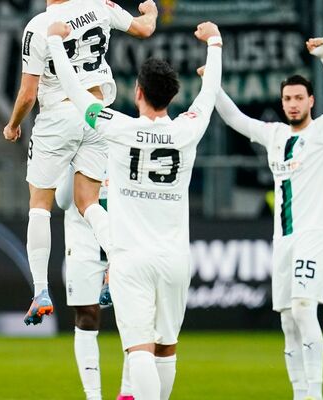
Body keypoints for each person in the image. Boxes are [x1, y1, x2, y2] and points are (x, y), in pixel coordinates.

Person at [48, 19, 223, 400]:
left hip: (130, 259)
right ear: (174, 96)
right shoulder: (187, 130)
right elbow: (209, 95)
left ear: (138, 91)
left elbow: (80, 97)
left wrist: (57, 45)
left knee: (138, 348)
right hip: (175, 257)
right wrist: (215, 44)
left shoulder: (117, 127)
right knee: (167, 346)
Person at [4, 0, 158, 326]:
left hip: (57, 115)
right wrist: (152, 10)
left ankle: (41, 291)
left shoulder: (39, 26)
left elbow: (28, 94)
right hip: (97, 114)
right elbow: (144, 28)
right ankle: (117, 261)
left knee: (39, 206)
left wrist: (13, 124)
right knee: (87, 201)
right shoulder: (100, 6)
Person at [211, 38, 323, 400]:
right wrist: (212, 81)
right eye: (287, 98)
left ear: (311, 101)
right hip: (283, 239)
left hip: (315, 233)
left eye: (299, 98)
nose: (292, 104)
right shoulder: (274, 135)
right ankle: (300, 392)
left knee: (304, 311)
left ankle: (315, 394)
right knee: (288, 320)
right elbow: (233, 118)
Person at [56, 167, 133, 400]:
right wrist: (71, 164)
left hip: (123, 240)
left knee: (135, 315)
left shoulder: (119, 140)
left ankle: (128, 392)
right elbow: (61, 201)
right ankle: (93, 396)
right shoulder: (73, 148)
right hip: (83, 242)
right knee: (87, 315)